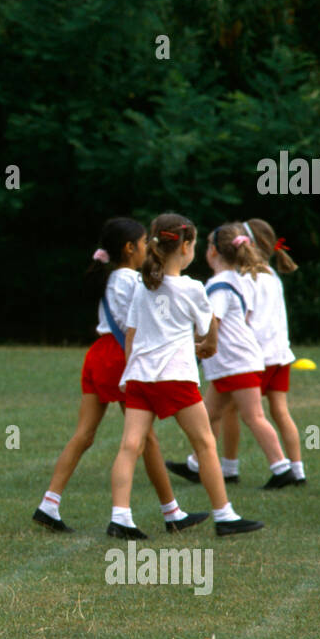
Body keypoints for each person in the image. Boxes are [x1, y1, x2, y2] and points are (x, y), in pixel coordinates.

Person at [32, 218, 201, 534]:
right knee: (144, 438)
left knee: (85, 435)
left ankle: (49, 504)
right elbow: (134, 327)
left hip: (98, 354)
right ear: (130, 248)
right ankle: (170, 513)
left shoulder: (114, 278)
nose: (148, 247)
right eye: (143, 242)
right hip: (118, 356)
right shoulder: (129, 280)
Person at [111, 214, 264, 538]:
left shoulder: (142, 287)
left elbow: (131, 336)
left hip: (139, 377)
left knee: (129, 445)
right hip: (175, 378)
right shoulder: (192, 287)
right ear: (186, 246)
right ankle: (224, 516)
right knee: (205, 443)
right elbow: (210, 330)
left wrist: (133, 371)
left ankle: (120, 517)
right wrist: (207, 346)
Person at [167, 223, 298, 490]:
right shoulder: (237, 279)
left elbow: (212, 322)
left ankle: (282, 467)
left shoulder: (219, 285)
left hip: (236, 362)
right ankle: (196, 464)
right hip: (232, 364)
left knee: (254, 417)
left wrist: (197, 343)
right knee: (209, 413)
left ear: (213, 251)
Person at [212, 219, 303, 484]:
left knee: (236, 412)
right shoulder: (271, 275)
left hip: (258, 358)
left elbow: (245, 317)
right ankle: (298, 470)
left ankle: (230, 468)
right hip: (281, 355)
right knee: (280, 412)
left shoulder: (245, 278)